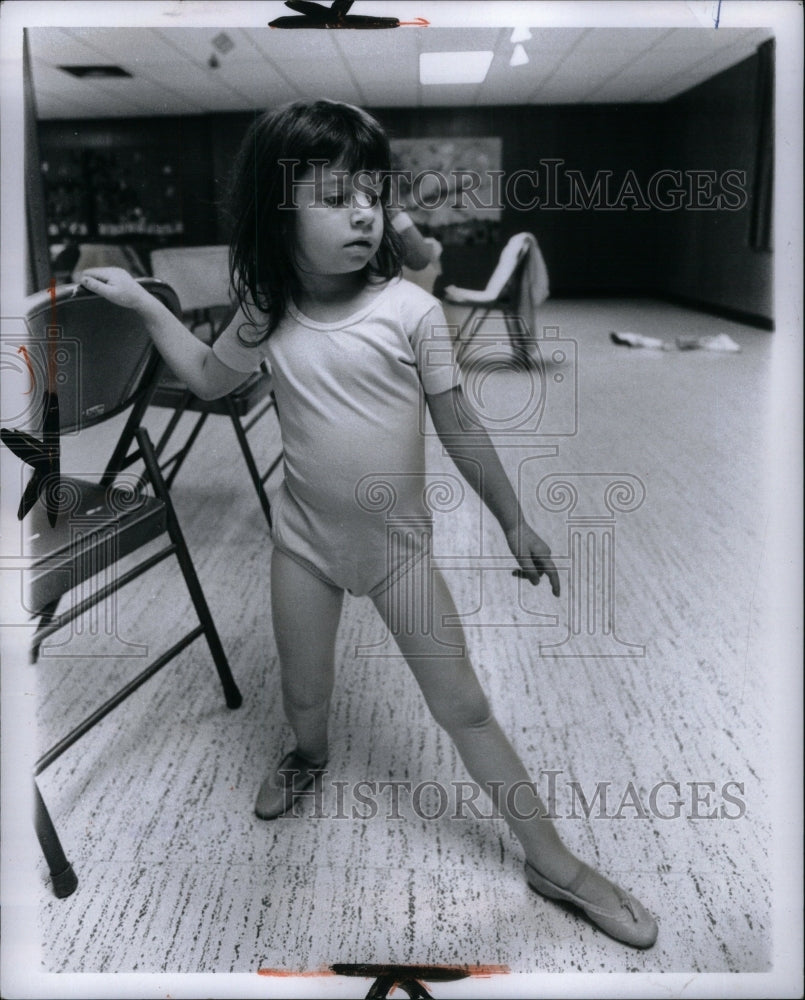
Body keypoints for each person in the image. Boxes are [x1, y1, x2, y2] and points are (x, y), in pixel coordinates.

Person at [78, 99, 657, 950]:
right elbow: (206, 379)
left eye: (371, 194)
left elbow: (460, 424)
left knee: (462, 705)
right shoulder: (263, 309)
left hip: (398, 555)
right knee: (305, 695)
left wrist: (513, 520)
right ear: (278, 217)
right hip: (302, 548)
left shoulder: (409, 314)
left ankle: (552, 860)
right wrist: (142, 301)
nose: (362, 213)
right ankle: (309, 755)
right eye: (332, 196)